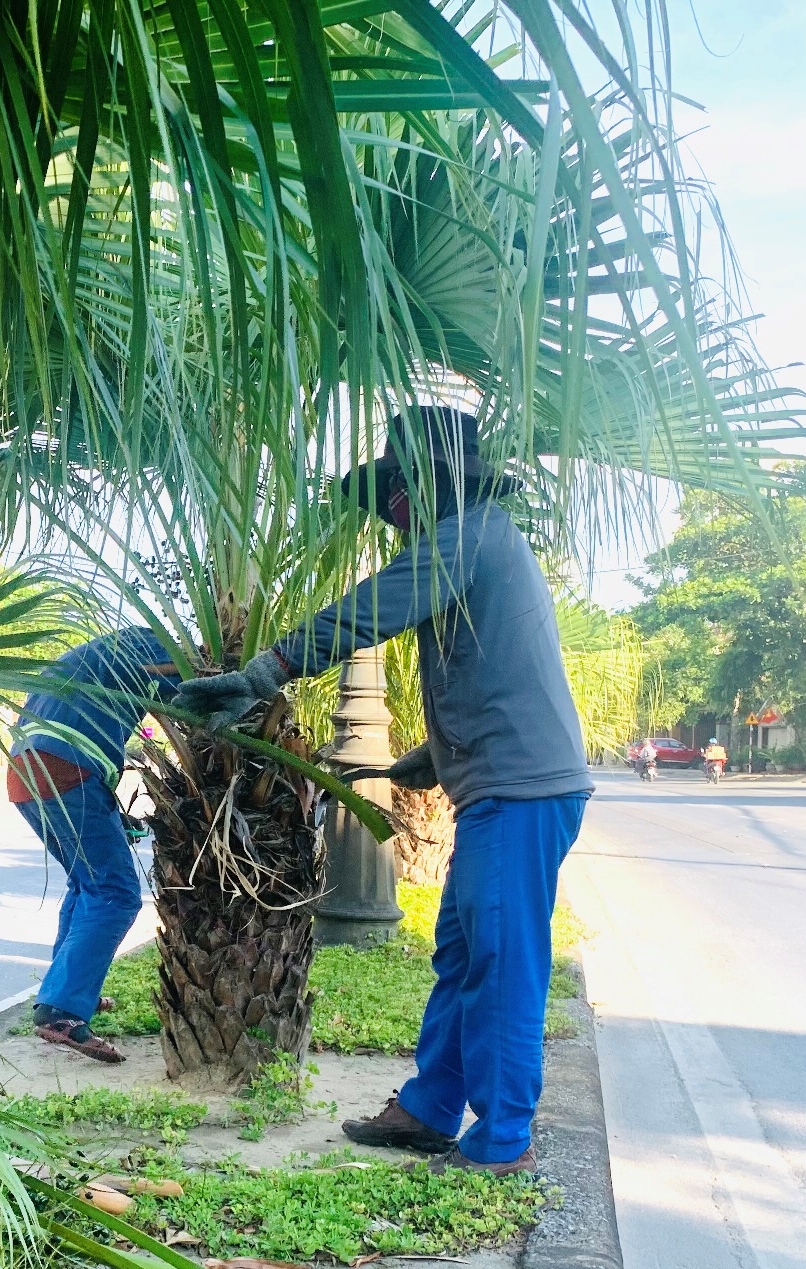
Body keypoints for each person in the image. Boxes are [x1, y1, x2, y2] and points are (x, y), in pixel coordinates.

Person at [172, 408, 590, 1175]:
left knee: (502, 962)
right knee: (464, 955)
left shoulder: (468, 533)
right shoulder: (478, 539)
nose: (392, 510)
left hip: (521, 793)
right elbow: (499, 672)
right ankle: (430, 1110)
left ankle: (501, 1142)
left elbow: (374, 608)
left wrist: (266, 671)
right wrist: (429, 757)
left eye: (398, 489)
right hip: (505, 787)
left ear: (428, 487)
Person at [10, 627, 183, 1064]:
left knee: (86, 884)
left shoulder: (103, 650)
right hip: (67, 772)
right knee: (116, 893)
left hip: (24, 774)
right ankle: (63, 1010)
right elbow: (195, 697)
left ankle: (65, 992)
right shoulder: (159, 650)